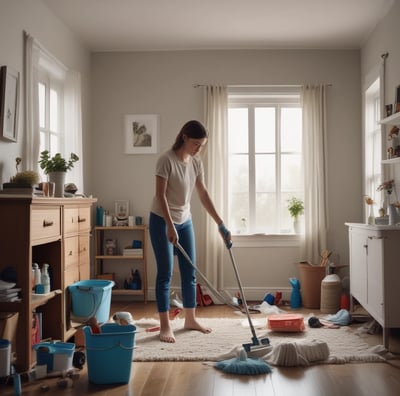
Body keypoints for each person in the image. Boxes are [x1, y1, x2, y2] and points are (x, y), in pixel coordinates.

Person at [149, 120, 231, 343]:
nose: (198, 149)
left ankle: (190, 319)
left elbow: (203, 194)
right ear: (184, 137)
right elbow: (161, 195)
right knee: (165, 272)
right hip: (161, 220)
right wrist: (169, 225)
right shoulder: (166, 160)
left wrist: (220, 223)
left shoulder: (195, 162)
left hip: (185, 221)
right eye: (196, 144)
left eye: (201, 145)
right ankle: (165, 326)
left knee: (189, 272)